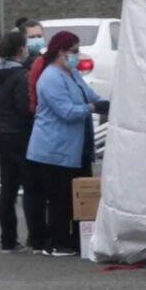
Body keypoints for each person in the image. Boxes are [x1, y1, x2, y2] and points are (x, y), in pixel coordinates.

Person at [25, 31, 109, 257]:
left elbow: (90, 95)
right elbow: (66, 112)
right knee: (59, 198)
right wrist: (92, 108)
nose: (77, 55)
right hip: (53, 149)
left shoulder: (72, 74)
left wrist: (107, 103)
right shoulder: (50, 77)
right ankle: (56, 242)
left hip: (75, 149)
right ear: (61, 52)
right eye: (73, 51)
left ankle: (74, 239)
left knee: (75, 197)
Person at [0, 32, 40, 253]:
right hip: (20, 135)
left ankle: (7, 240)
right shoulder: (20, 75)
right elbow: (24, 108)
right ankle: (35, 237)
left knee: (7, 189)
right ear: (20, 49)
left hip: (2, 134)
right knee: (31, 187)